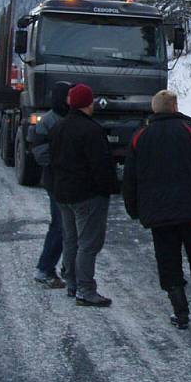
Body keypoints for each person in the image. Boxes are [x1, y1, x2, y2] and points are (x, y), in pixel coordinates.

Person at [123, 90, 191, 330]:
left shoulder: (140, 136)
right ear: (174, 106)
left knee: (168, 262)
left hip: (160, 218)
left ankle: (180, 314)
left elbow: (130, 179)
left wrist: (133, 209)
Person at [50, 83, 116, 307]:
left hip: (63, 193)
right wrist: (109, 188)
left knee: (71, 240)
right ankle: (86, 289)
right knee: (89, 243)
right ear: (89, 103)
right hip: (87, 194)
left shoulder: (59, 127)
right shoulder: (92, 130)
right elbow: (101, 165)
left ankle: (72, 283)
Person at [28, 81, 73, 289]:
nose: (71, 99)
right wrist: (64, 165)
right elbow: (40, 153)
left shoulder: (71, 118)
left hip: (68, 181)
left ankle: (62, 268)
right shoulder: (47, 122)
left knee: (67, 226)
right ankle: (45, 269)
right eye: (68, 95)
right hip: (56, 181)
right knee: (60, 225)